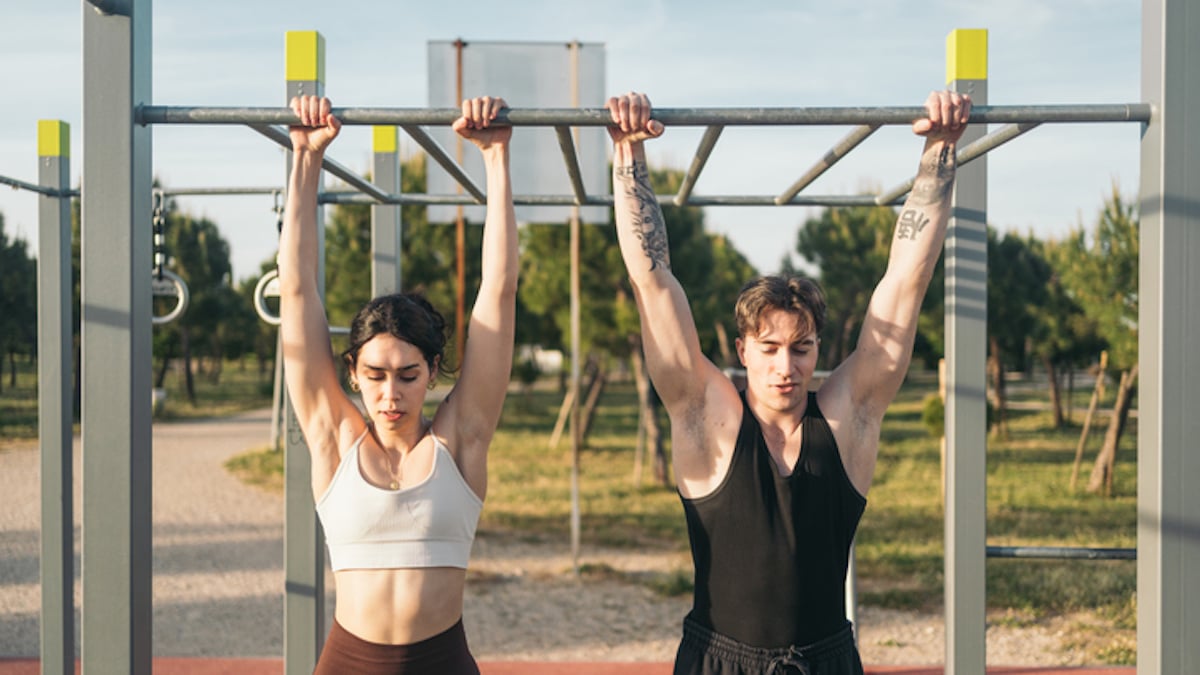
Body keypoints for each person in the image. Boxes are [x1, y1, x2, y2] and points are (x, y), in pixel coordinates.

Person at [605, 90, 972, 674]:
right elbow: (653, 283)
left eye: (801, 349)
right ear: (741, 350)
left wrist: (940, 150)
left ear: (818, 349)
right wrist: (628, 155)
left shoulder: (846, 421)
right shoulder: (708, 418)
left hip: (824, 659)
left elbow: (907, 282)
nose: (786, 366)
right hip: (718, 660)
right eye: (770, 349)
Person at [279, 94, 517, 674]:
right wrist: (306, 160)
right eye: (376, 376)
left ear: (432, 372)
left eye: (409, 376)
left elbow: (500, 291)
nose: (391, 395)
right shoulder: (334, 440)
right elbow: (297, 290)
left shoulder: (460, 443)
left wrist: (496, 160)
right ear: (353, 374)